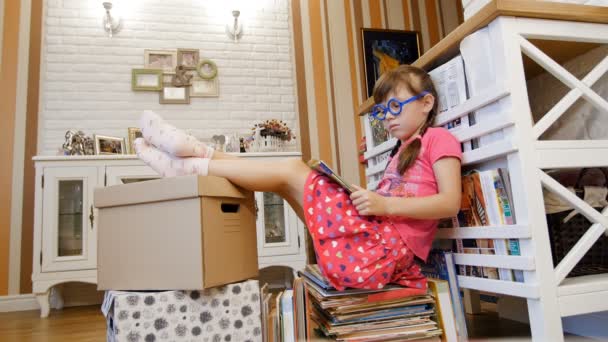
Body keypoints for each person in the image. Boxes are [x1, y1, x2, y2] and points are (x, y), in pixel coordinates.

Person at [133, 65, 462, 291]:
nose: (386, 119)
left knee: (291, 169)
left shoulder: (438, 139)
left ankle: (193, 160)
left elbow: (450, 202)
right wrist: (368, 198)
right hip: (370, 244)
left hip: (379, 254)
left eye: (394, 107)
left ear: (426, 103)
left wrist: (384, 204)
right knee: (285, 180)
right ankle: (197, 155)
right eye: (381, 111)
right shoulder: (399, 150)